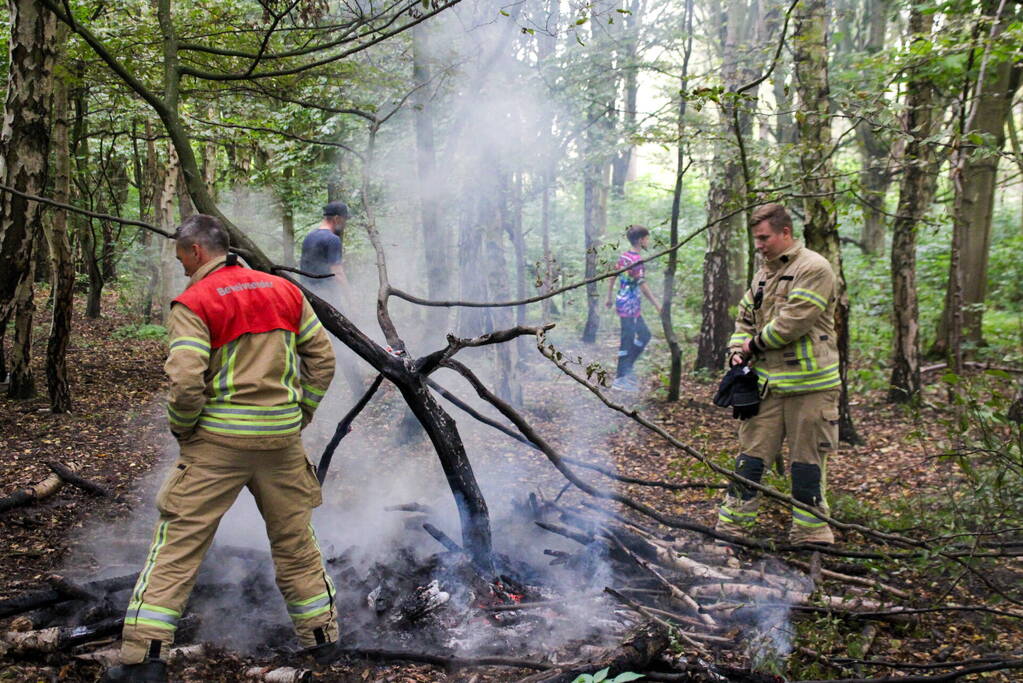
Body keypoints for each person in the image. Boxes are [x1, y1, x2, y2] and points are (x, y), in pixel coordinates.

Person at [103, 215, 339, 682]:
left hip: (217, 445)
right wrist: (301, 413)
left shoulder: (195, 301)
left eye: (181, 258)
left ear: (196, 251)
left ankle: (144, 660)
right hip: (281, 442)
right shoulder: (285, 291)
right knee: (296, 542)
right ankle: (322, 640)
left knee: (178, 546)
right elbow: (323, 360)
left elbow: (186, 382)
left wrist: (184, 430)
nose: (182, 267)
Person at [715, 203, 840, 546]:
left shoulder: (814, 268)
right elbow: (744, 320)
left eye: (764, 238)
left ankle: (811, 536)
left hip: (811, 389)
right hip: (766, 387)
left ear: (786, 232)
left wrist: (751, 346)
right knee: (749, 461)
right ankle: (732, 532)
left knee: (807, 466)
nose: (759, 245)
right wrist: (736, 351)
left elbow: (794, 321)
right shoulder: (762, 275)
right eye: (756, 239)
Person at [606, 225, 661, 392]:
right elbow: (643, 286)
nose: (648, 241)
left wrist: (609, 297)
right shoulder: (636, 260)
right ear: (640, 240)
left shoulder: (624, 256)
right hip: (629, 306)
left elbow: (612, 277)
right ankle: (620, 378)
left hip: (625, 303)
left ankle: (627, 368)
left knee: (644, 335)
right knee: (628, 339)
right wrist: (657, 305)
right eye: (646, 238)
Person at [299, 200, 351, 306]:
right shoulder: (333, 239)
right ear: (337, 219)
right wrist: (351, 300)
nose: (345, 224)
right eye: (344, 219)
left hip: (307, 295)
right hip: (327, 298)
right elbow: (338, 273)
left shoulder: (309, 236)